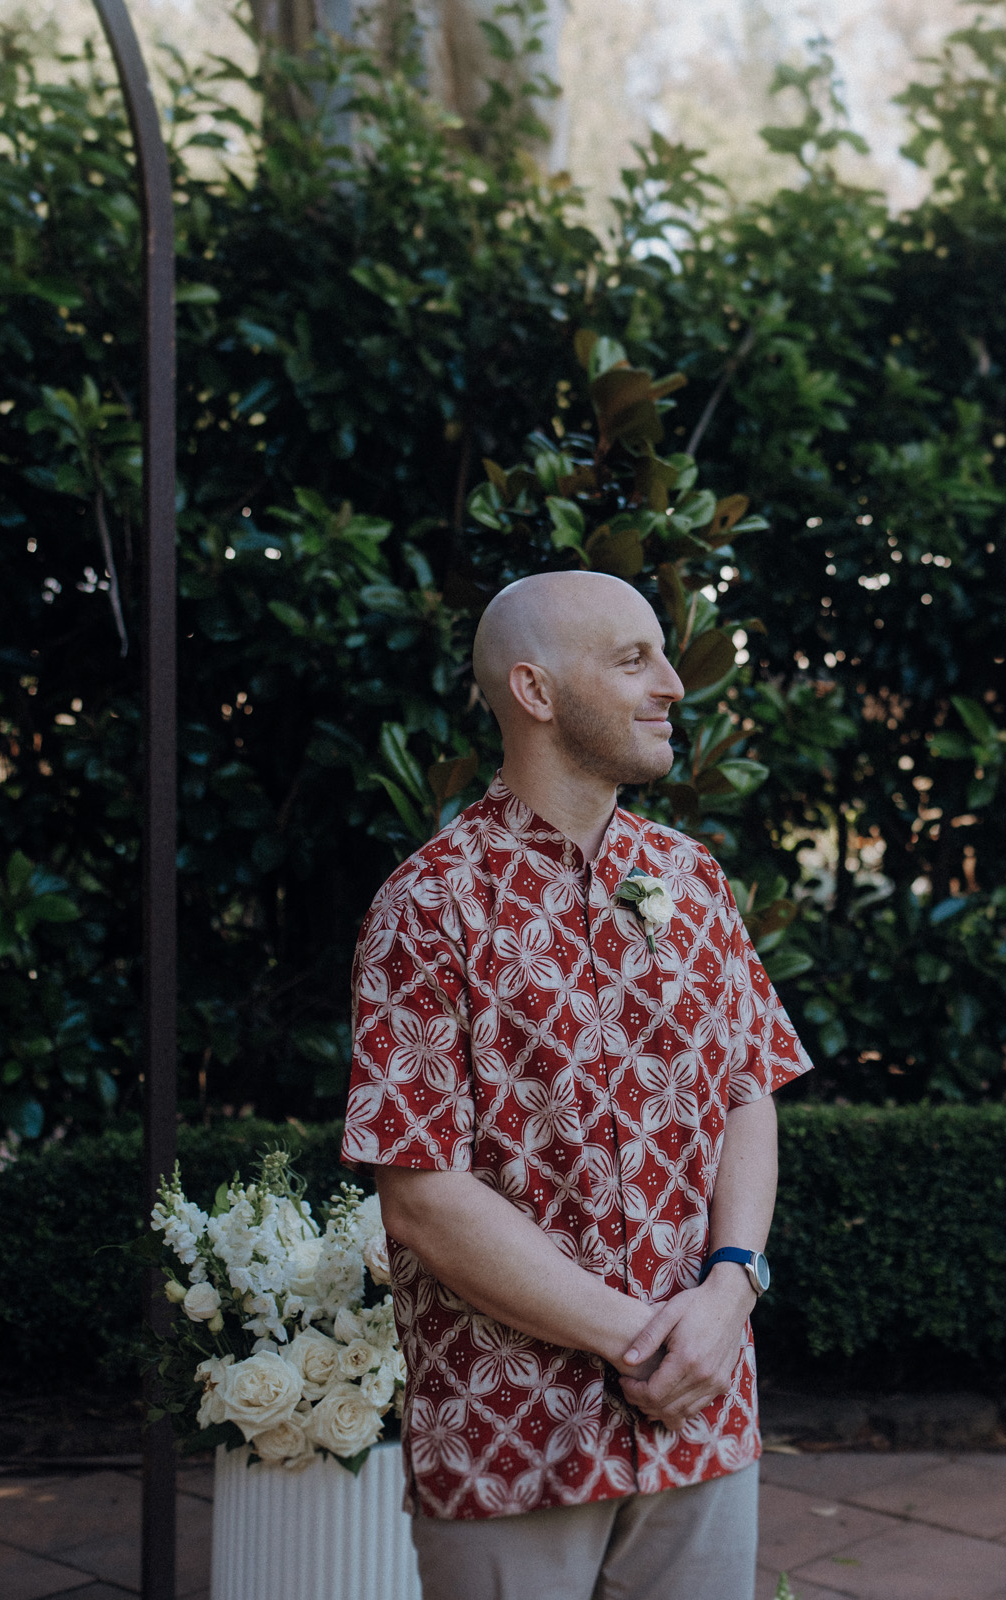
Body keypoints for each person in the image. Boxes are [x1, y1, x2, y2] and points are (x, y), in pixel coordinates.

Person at [341, 569, 810, 1599]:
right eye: (634, 658)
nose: (674, 686)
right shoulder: (429, 905)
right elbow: (420, 1194)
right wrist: (647, 1338)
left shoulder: (691, 879)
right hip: (515, 1439)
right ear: (537, 692)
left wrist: (731, 1288)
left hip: (703, 1420)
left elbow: (747, 1093)